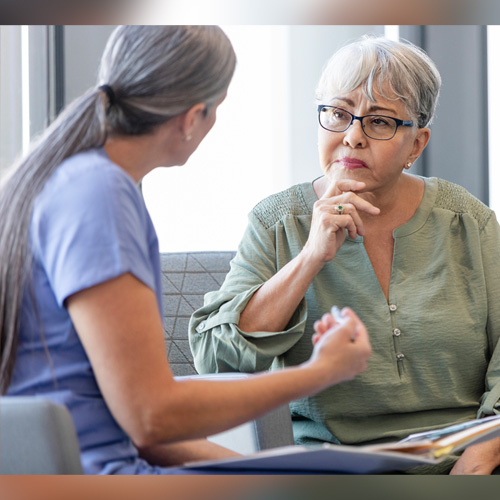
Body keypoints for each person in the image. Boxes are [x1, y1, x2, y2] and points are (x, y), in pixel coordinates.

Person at [0, 25, 372, 475]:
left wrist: (276, 472)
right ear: (193, 116)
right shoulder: (100, 195)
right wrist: (320, 372)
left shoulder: (76, 181)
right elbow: (152, 415)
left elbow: (136, 426)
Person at [189, 34, 500, 475]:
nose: (352, 137)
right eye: (337, 114)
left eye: (379, 122)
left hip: (468, 460)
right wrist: (310, 257)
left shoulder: (468, 221)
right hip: (335, 470)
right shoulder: (277, 222)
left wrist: (484, 451)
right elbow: (215, 361)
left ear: (416, 144)